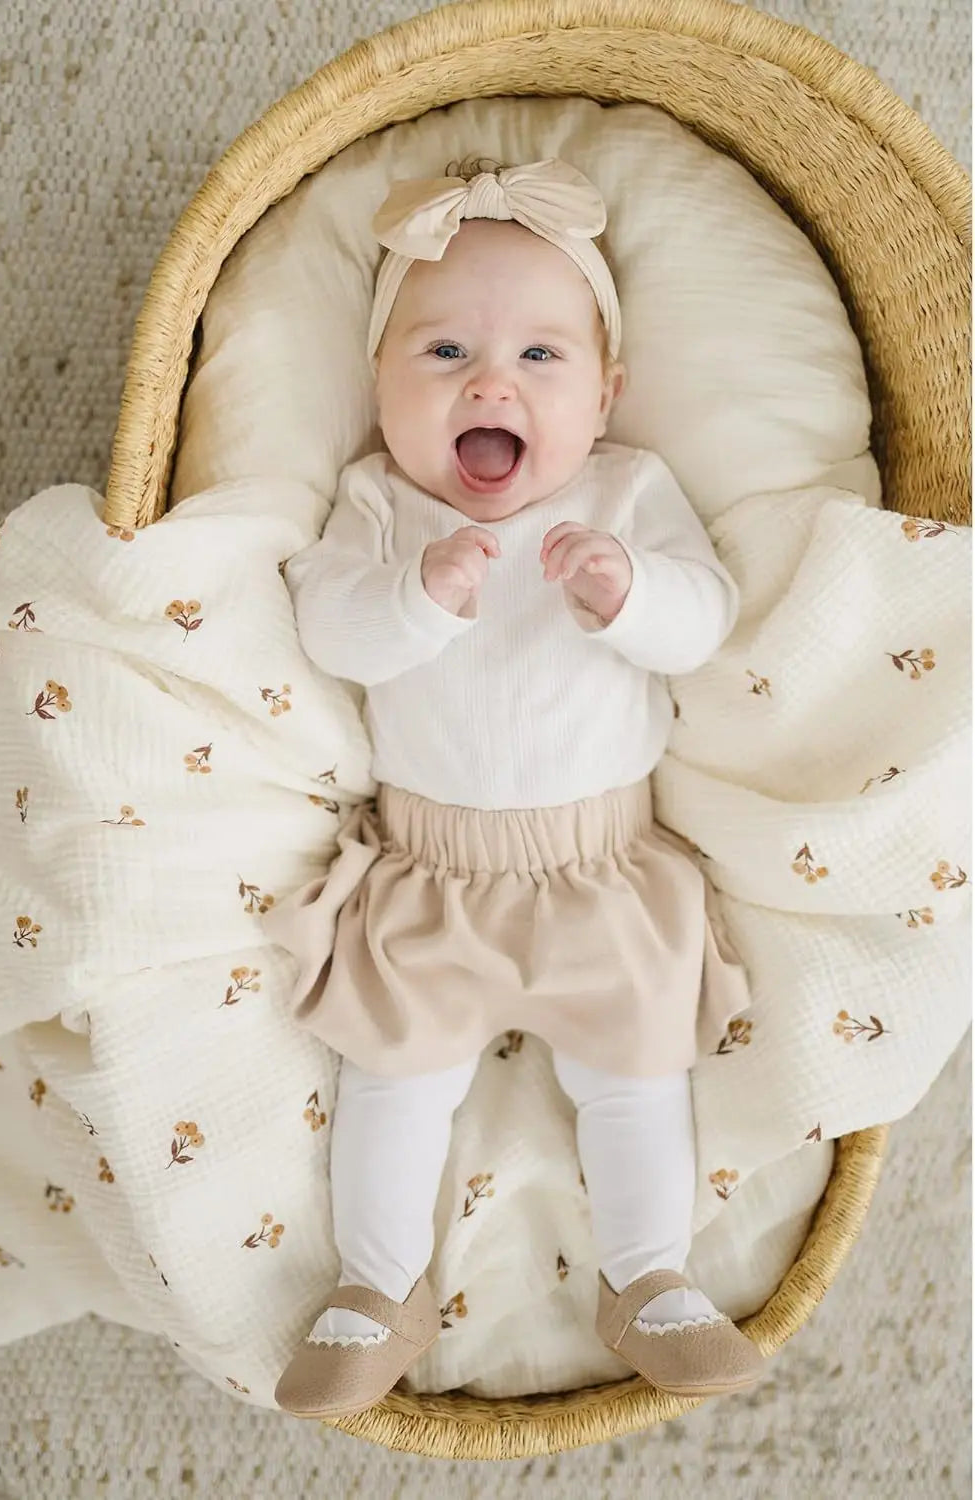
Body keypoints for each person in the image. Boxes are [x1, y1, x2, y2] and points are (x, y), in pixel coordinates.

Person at [269, 157, 764, 1419]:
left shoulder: (627, 494)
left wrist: (630, 593)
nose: (491, 383)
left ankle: (647, 1274)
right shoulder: (378, 508)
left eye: (541, 356)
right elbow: (331, 630)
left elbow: (705, 619)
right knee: (394, 1080)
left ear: (606, 394)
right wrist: (416, 599)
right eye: (443, 352)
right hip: (429, 878)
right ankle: (380, 1286)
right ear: (378, 384)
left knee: (636, 1075)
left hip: (602, 874)